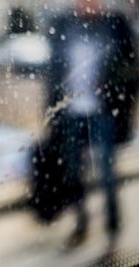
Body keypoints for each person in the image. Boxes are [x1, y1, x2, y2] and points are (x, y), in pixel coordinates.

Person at [44, 0, 138, 247]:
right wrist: (50, 113)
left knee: (106, 170)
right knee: (74, 171)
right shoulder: (63, 26)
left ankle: (112, 224)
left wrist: (113, 88)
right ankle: (81, 223)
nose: (88, 4)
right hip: (71, 112)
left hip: (103, 110)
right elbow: (53, 72)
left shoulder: (115, 25)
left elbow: (129, 66)